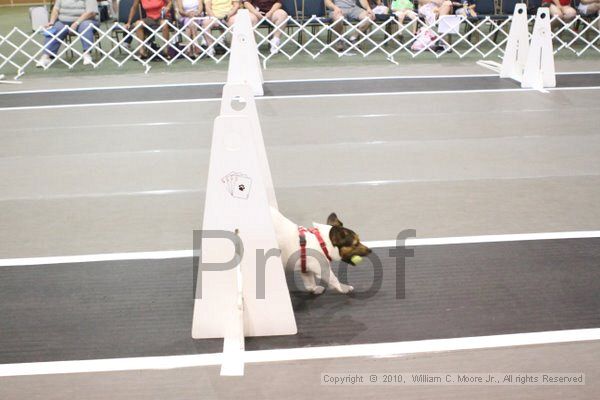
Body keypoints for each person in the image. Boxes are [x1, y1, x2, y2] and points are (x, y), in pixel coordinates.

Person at [36, 0, 100, 67]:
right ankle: (46, 56)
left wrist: (76, 23)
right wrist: (51, 22)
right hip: (63, 21)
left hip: (85, 20)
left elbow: (91, 13)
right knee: (56, 28)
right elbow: (55, 9)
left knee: (86, 26)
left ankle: (87, 54)